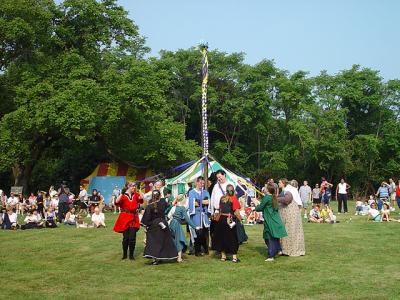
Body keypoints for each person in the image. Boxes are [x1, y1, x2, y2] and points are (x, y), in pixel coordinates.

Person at [142, 190, 177, 265]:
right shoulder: (163, 203)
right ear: (160, 196)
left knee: (154, 243)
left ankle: (155, 259)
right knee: (164, 241)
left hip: (154, 226)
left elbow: (146, 219)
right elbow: (169, 207)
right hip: (163, 224)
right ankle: (166, 256)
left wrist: (146, 227)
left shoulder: (149, 206)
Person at [254, 183, 287, 262]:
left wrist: (255, 202)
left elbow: (259, 208)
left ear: (268, 190)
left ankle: (271, 255)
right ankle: (279, 250)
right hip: (275, 219)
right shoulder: (273, 197)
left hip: (270, 220)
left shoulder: (267, 198)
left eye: (265, 188)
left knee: (269, 238)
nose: (264, 189)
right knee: (275, 236)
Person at [213, 184, 242, 263]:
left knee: (222, 238)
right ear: (233, 191)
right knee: (233, 238)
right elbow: (236, 212)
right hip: (229, 220)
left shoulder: (222, 198)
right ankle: (234, 258)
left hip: (221, 220)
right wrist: (241, 220)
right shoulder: (234, 199)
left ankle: (223, 256)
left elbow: (220, 209)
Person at [277, 178, 305, 256]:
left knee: (291, 230)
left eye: (279, 182)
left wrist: (276, 199)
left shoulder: (289, 190)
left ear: (283, 183)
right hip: (288, 213)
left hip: (291, 213)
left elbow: (287, 200)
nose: (278, 183)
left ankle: (291, 250)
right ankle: (286, 249)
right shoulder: (285, 190)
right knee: (288, 230)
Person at [168, 194, 197, 262]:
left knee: (174, 239)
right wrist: (195, 227)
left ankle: (174, 255)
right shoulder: (182, 208)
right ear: (183, 200)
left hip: (171, 223)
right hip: (177, 224)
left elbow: (169, 216)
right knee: (179, 239)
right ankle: (179, 258)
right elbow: (187, 219)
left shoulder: (174, 207)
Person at [188, 176, 210, 256]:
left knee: (204, 232)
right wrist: (202, 201)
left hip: (204, 215)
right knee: (197, 233)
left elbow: (208, 202)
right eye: (201, 183)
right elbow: (193, 203)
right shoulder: (192, 192)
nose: (202, 185)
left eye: (203, 183)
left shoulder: (205, 192)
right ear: (196, 182)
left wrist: (199, 201)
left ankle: (205, 248)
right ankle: (197, 251)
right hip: (196, 215)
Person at [209, 169, 230, 249]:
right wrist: (211, 211)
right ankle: (218, 247)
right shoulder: (216, 186)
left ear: (224, 175)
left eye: (220, 177)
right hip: (216, 212)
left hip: (226, 212)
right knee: (216, 230)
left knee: (226, 231)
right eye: (218, 178)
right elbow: (212, 199)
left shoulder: (229, 185)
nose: (219, 179)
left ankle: (226, 247)